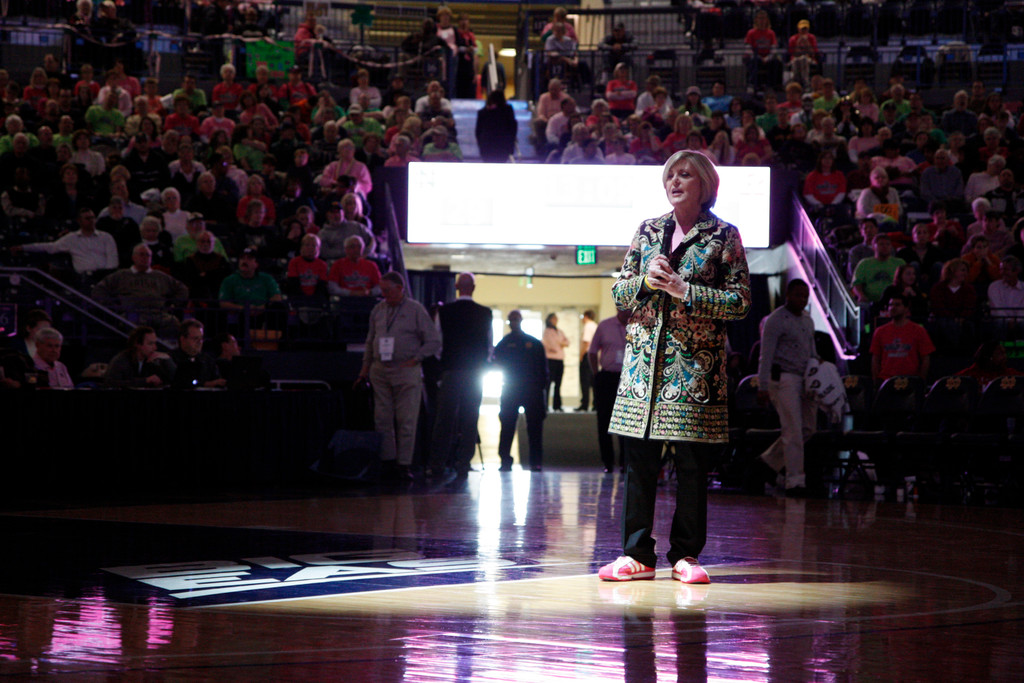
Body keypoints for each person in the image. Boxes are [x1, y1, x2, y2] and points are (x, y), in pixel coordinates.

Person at [599, 150, 751, 583]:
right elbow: (620, 294)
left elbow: (740, 303)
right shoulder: (648, 230)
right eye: (670, 175)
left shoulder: (724, 235)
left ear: (705, 185)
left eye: (685, 175)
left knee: (691, 467)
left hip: (694, 371)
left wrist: (687, 291)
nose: (675, 181)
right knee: (639, 465)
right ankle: (636, 555)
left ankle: (686, 556)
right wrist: (646, 282)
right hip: (642, 371)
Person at [355, 272, 441, 482]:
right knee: (382, 419)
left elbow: (433, 341)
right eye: (382, 290)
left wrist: (416, 358)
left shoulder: (415, 310)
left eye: (388, 290)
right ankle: (388, 462)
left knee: (406, 419)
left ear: (400, 288)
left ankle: (404, 464)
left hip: (406, 370)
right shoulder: (378, 310)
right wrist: (364, 370)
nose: (384, 294)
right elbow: (370, 340)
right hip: (380, 370)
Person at [752, 279, 818, 497]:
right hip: (783, 378)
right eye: (798, 295)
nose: (802, 299)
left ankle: (767, 462)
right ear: (788, 295)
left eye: (805, 296)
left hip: (805, 377)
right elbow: (766, 355)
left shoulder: (807, 320)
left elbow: (811, 350)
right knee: (793, 430)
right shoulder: (776, 320)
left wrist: (818, 370)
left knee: (808, 428)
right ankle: (795, 481)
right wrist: (762, 385)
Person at [427, 272, 493, 481]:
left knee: (444, 419)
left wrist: (444, 364)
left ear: (456, 287)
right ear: (473, 288)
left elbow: (437, 344)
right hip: (474, 373)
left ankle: (437, 464)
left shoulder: (444, 312)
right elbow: (489, 346)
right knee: (470, 418)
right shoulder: (485, 313)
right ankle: (463, 463)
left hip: (451, 370)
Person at [494, 310, 548, 471]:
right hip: (512, 389)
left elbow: (543, 369)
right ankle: (505, 460)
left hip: (531, 389)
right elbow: (496, 362)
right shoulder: (504, 343)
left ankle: (535, 461)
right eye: (512, 320)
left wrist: (542, 389)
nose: (514, 323)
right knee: (507, 426)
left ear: (521, 321)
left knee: (534, 428)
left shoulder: (533, 343)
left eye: (516, 319)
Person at [12, 206, 118, 281]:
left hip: (105, 277)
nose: (91, 221)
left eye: (92, 218)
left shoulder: (106, 237)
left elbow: (112, 260)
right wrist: (24, 247)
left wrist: (106, 277)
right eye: (87, 218)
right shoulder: (72, 238)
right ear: (79, 221)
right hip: (83, 278)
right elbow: (50, 247)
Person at [588, 309, 629, 473]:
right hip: (607, 378)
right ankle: (608, 462)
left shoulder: (637, 325)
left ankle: (625, 462)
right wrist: (596, 374)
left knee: (626, 421)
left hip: (628, 379)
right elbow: (592, 351)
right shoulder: (605, 326)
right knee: (604, 420)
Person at [870, 294, 936, 384]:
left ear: (906, 308)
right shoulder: (880, 331)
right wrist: (876, 381)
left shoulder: (918, 331)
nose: (892, 308)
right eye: (890, 305)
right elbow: (875, 359)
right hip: (886, 380)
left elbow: (925, 358)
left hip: (910, 380)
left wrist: (921, 381)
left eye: (897, 305)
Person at [104, 325, 176, 388]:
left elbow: (176, 381)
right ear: (138, 344)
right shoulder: (121, 361)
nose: (155, 348)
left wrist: (167, 359)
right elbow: (111, 383)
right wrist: (145, 381)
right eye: (150, 344)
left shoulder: (154, 361)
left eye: (155, 343)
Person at [170, 319, 225, 389]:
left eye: (201, 338)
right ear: (183, 339)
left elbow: (217, 381)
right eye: (195, 338)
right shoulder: (171, 359)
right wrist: (204, 384)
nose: (199, 342)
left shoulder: (208, 361)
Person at [542, 313, 569, 411]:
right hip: (551, 360)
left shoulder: (559, 331)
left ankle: (557, 405)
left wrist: (559, 343)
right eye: (554, 319)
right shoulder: (547, 332)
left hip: (559, 360)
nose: (556, 320)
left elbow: (567, 342)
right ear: (549, 320)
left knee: (558, 384)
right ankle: (545, 405)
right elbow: (551, 346)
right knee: (548, 383)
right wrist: (560, 343)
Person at [576, 309, 598, 411]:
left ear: (586, 316)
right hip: (594, 355)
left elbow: (586, 342)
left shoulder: (588, 326)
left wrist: (581, 355)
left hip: (587, 356)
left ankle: (584, 404)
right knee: (593, 381)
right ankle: (595, 404)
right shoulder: (595, 326)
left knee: (585, 380)